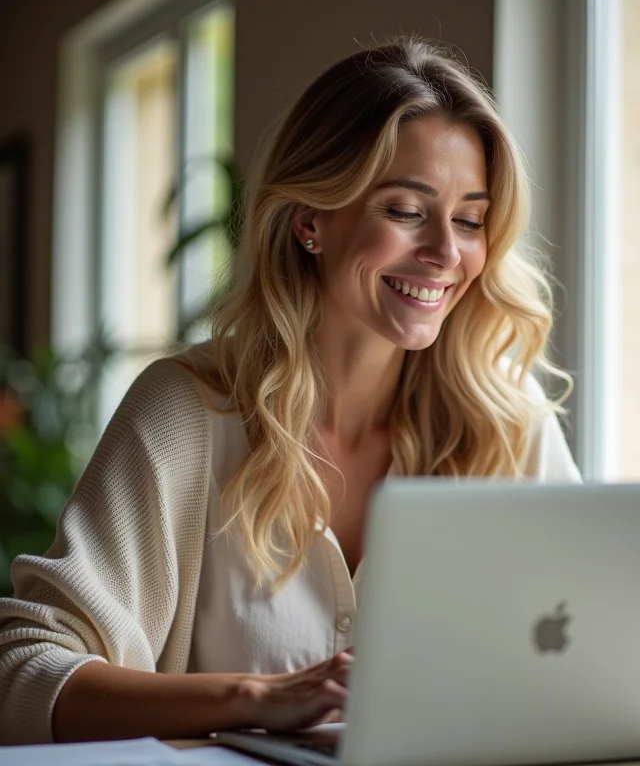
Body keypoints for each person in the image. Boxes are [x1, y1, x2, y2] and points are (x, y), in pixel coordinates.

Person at [0, 37, 580, 745]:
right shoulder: (186, 413)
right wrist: (254, 698)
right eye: (406, 210)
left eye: (469, 220)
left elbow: (588, 651)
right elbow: (20, 673)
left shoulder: (508, 425)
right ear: (310, 221)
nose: (444, 253)